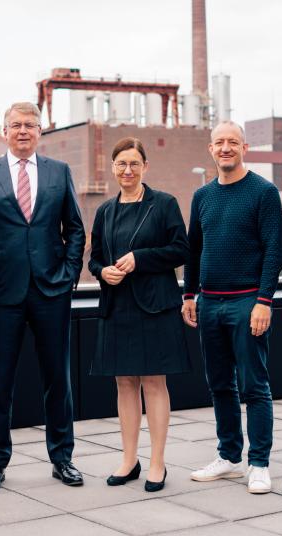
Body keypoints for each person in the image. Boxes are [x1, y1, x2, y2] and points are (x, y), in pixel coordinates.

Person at [0, 102, 86, 491]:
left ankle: (62, 458)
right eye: (16, 125)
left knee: (58, 380)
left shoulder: (58, 172)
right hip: (0, 295)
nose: (23, 132)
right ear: (4, 132)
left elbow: (76, 230)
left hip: (51, 292)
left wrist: (66, 276)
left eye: (30, 125)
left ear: (39, 132)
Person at [182, 121, 282, 494]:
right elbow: (194, 249)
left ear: (245, 148)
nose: (225, 148)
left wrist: (263, 301)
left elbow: (275, 250)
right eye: (219, 143)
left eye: (232, 142)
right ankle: (229, 456)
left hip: (247, 301)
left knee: (255, 386)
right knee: (219, 384)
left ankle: (259, 463)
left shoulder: (263, 192)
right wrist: (189, 295)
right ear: (210, 149)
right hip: (209, 302)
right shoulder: (202, 196)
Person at [88, 137, 190, 492]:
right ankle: (128, 459)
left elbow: (181, 249)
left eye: (134, 164)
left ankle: (157, 463)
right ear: (114, 169)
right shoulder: (104, 211)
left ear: (145, 167)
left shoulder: (163, 204)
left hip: (154, 305)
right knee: (124, 383)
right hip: (118, 304)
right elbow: (95, 257)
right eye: (121, 164)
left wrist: (140, 259)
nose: (127, 170)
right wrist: (102, 272)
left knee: (153, 382)